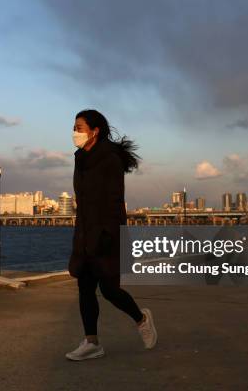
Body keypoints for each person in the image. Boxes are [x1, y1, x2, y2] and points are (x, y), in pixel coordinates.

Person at [66, 109, 158, 361]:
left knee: (109, 290)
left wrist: (108, 233)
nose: (74, 133)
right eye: (74, 127)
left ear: (94, 131)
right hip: (85, 231)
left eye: (79, 128)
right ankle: (92, 342)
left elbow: (115, 200)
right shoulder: (79, 157)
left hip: (106, 233)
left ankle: (141, 319)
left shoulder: (109, 159)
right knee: (84, 288)